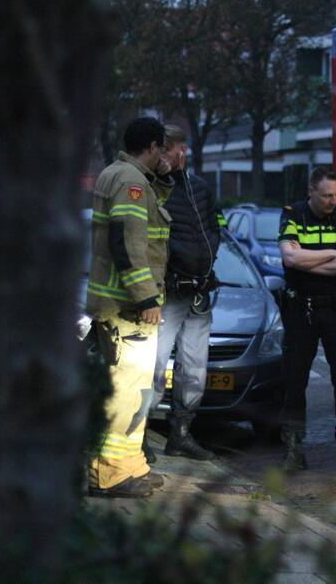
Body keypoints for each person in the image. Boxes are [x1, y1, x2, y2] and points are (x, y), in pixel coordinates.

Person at [87, 117, 173, 499]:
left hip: (115, 304)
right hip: (128, 308)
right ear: (154, 146)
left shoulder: (118, 174)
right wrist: (145, 298)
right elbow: (127, 242)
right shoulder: (132, 182)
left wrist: (166, 179)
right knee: (126, 390)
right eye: (164, 150)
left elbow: (148, 222)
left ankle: (129, 464)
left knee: (135, 389)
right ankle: (108, 474)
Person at [277, 167, 336, 472]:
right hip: (300, 309)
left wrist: (308, 260)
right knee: (294, 381)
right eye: (327, 195)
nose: (333, 201)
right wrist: (332, 252)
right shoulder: (293, 215)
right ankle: (293, 448)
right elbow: (289, 259)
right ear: (311, 191)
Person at [145, 124, 222, 462]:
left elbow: (213, 228)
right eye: (177, 149)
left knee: (194, 369)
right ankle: (138, 437)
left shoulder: (200, 188)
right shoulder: (151, 188)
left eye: (184, 150)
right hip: (169, 293)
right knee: (154, 366)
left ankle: (181, 434)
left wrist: (207, 262)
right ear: (163, 151)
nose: (182, 155)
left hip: (199, 291)